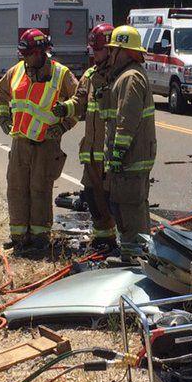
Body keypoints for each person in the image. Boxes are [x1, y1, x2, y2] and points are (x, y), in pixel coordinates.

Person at [0, 29, 78, 256]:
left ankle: (40, 238)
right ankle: (19, 238)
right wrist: (3, 118)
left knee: (40, 190)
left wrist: (63, 125)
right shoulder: (16, 71)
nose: (25, 59)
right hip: (20, 142)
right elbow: (0, 93)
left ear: (40, 53)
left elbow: (80, 102)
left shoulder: (61, 74)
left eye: (29, 54)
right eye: (23, 55)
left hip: (46, 143)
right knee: (17, 189)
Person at [54, 23, 117, 253]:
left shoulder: (118, 76)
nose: (94, 53)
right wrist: (65, 108)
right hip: (90, 151)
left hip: (108, 153)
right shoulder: (90, 75)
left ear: (110, 48)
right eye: (92, 49)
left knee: (111, 200)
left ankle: (116, 241)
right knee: (91, 196)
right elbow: (79, 102)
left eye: (98, 49)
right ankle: (103, 239)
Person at [99, 25, 156, 258]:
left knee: (129, 213)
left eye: (113, 50)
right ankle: (136, 255)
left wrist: (117, 154)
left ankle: (134, 261)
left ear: (122, 50)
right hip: (131, 161)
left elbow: (126, 121)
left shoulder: (130, 78)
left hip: (129, 162)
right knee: (131, 210)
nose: (110, 55)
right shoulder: (126, 76)